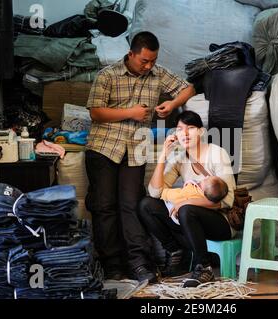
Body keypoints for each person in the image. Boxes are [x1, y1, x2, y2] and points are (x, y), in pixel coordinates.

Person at [85, 31, 196, 283]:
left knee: (131, 206)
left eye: (153, 61)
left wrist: (172, 103)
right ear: (131, 54)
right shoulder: (107, 75)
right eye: (144, 61)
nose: (148, 66)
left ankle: (138, 264)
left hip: (135, 149)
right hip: (104, 147)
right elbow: (95, 113)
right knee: (104, 208)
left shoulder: (157, 75)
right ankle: (112, 266)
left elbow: (189, 88)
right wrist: (131, 113)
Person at [138, 111, 237, 287]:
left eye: (190, 128)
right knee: (147, 205)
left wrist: (186, 202)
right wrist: (163, 156)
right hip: (190, 220)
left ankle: (204, 267)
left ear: (200, 132)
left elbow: (227, 200)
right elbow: (154, 192)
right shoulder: (179, 158)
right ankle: (175, 251)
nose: (184, 134)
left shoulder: (217, 153)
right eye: (179, 129)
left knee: (186, 209)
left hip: (221, 222)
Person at [161, 176, 229, 224]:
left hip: (176, 213)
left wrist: (165, 193)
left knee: (172, 197)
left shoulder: (193, 192)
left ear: (203, 190)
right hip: (189, 217)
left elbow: (178, 196)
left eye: (206, 179)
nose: (206, 177)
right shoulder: (207, 197)